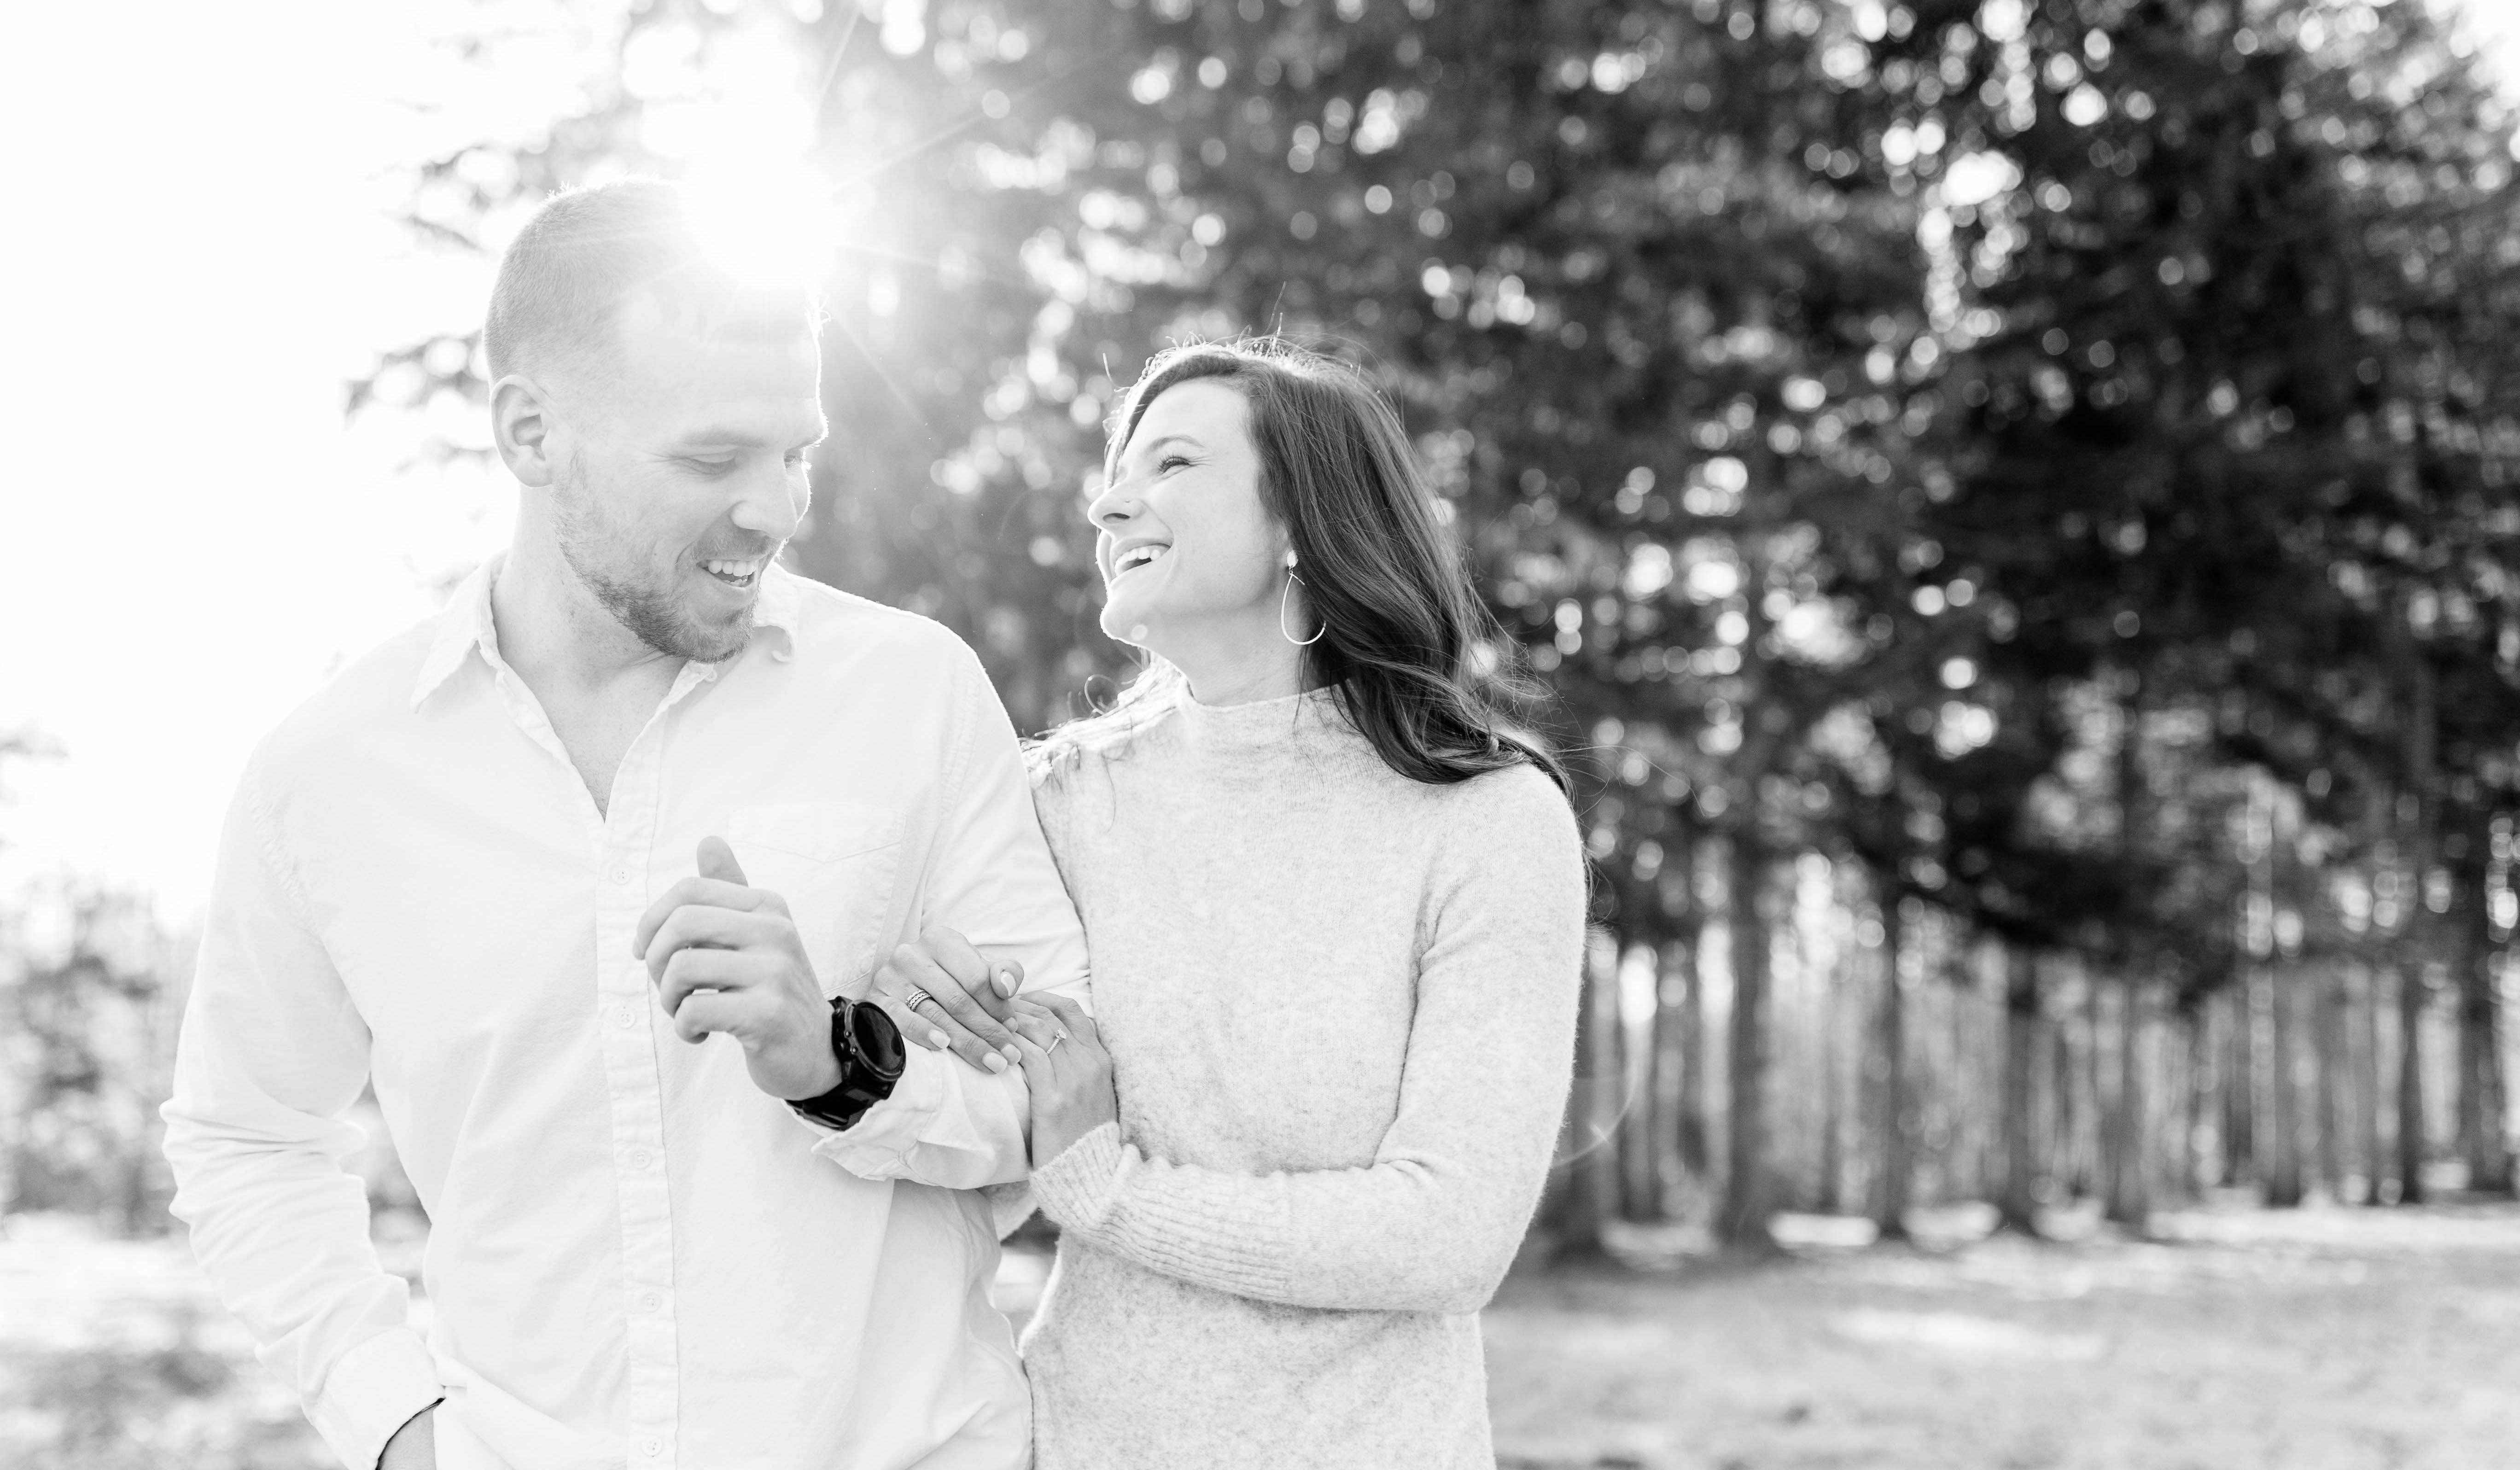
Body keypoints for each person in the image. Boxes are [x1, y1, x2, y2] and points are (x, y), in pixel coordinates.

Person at [160, 178, 1083, 1470]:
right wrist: (396, 1427)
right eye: (713, 460)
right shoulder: (327, 775)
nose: (777, 509)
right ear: (533, 433)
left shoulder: (912, 696)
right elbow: (247, 1136)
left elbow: (1059, 1100)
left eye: (797, 453)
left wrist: (840, 1061)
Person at [892, 339, 1590, 1470]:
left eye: (1172, 463)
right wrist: (907, 1016)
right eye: (1116, 474)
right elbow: (981, 1146)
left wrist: (1107, 1189)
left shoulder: (1489, 821)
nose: (1109, 504)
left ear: (1303, 521)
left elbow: (1448, 1237)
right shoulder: (1059, 802)